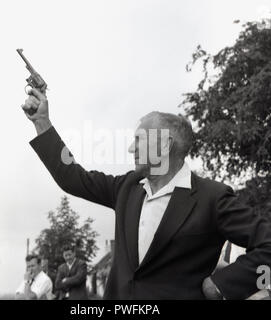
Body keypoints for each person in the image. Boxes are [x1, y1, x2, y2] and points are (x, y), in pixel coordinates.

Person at [22, 88, 271, 300]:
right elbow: (73, 178)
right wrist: (42, 122)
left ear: (165, 144)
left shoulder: (212, 198)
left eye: (139, 139)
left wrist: (223, 285)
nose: (132, 148)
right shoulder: (126, 188)